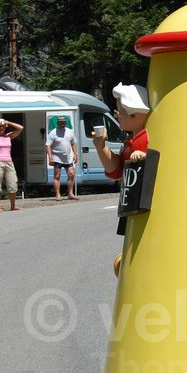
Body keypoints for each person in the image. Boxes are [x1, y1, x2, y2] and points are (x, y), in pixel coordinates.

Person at [93, 82, 151, 277]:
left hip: (142, 202)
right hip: (130, 200)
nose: (117, 114)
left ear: (134, 114)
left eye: (120, 111)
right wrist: (101, 146)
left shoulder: (146, 138)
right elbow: (115, 170)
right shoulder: (131, 140)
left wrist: (144, 156)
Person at [45, 116, 79, 201]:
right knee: (57, 175)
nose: (62, 124)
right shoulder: (53, 133)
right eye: (60, 122)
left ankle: (70, 193)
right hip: (57, 157)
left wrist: (76, 154)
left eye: (63, 122)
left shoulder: (70, 132)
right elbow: (48, 145)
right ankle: (58, 194)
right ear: (57, 123)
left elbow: (73, 143)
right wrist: (50, 156)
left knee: (71, 174)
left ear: (65, 123)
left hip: (68, 157)